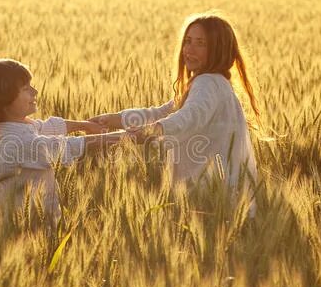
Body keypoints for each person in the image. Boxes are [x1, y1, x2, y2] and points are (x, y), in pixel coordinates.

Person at [89, 12, 261, 215]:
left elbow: (187, 118)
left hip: (211, 203)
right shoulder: (214, 83)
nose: (189, 50)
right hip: (221, 200)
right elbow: (162, 112)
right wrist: (112, 120)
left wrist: (144, 133)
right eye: (187, 41)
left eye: (201, 43)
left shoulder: (207, 83)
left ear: (219, 49)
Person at [0, 58, 129, 226]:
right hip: (20, 228)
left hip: (36, 218)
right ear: (4, 100)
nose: (35, 91)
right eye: (25, 88)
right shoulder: (15, 142)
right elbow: (63, 147)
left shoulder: (18, 127)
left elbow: (46, 127)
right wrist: (126, 136)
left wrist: (83, 125)